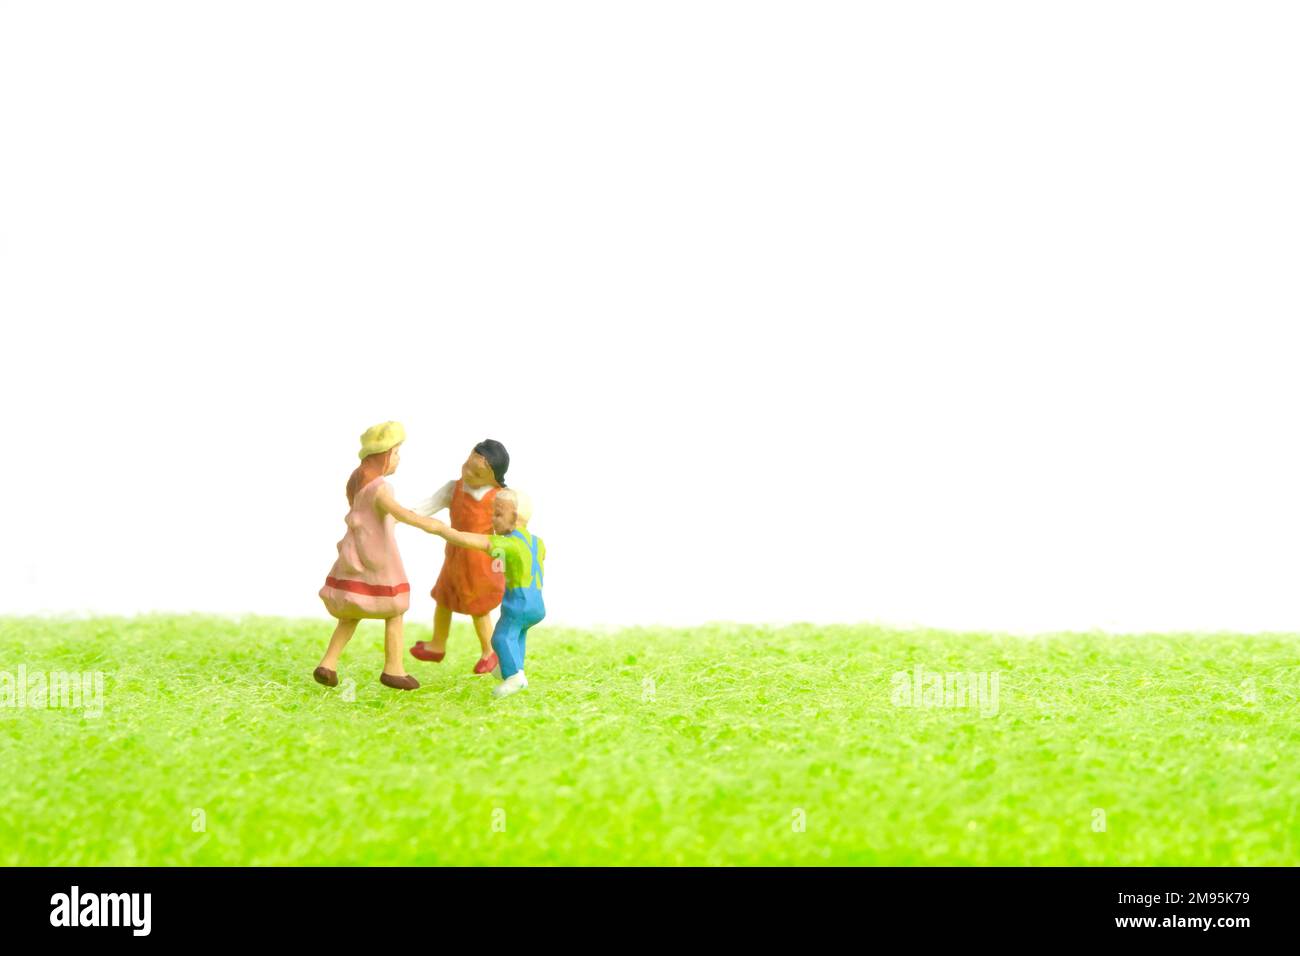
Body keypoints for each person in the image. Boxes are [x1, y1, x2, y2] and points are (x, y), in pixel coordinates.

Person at [316, 421, 439, 691]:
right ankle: (393, 668)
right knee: (394, 611)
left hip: (354, 554)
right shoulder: (382, 488)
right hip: (377, 558)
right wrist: (438, 528)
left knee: (350, 614)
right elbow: (400, 513)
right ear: (384, 456)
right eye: (396, 453)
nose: (398, 459)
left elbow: (378, 517)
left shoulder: (358, 484)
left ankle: (328, 663)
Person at [427, 488, 544, 699]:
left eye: (498, 514)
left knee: (500, 638)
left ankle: (515, 677)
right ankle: (509, 667)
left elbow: (466, 540)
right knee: (518, 635)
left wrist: (441, 530)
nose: (493, 520)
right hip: (537, 604)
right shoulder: (538, 543)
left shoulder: (508, 543)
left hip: (519, 602)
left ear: (515, 517)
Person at [409, 440, 510, 673]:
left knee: (479, 608)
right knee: (444, 600)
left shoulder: (499, 497)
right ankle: (437, 645)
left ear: (494, 479)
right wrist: (401, 515)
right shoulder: (453, 488)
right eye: (467, 464)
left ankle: (489, 651)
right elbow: (426, 507)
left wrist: (508, 556)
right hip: (454, 557)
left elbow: (509, 529)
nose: (467, 472)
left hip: (480, 561)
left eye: (476, 472)